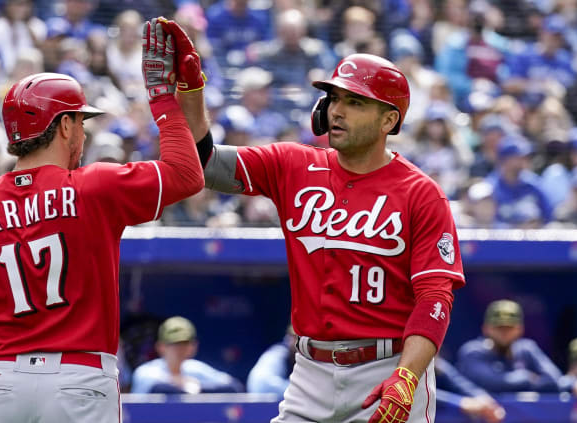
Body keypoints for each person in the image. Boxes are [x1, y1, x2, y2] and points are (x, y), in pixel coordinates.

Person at [163, 20, 465, 423]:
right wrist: (191, 96)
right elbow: (206, 163)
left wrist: (408, 376)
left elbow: (435, 298)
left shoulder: (421, 192)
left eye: (355, 102)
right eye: (335, 98)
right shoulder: (294, 164)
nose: (337, 110)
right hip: (309, 371)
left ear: (388, 121)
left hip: (387, 367)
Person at [0, 17, 204, 423]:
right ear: (64, 125)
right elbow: (187, 175)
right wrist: (164, 99)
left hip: (3, 384)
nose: (84, 134)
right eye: (81, 122)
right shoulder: (95, 186)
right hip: (80, 378)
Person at [457, 299, 573, 393]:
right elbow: (495, 383)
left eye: (509, 327)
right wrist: (527, 377)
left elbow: (554, 379)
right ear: (486, 329)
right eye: (499, 327)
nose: (504, 333)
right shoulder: (472, 352)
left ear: (520, 329)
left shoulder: (527, 349)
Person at [131, 316, 243, 394]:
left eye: (185, 343)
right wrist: (185, 386)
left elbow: (233, 386)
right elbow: (157, 388)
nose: (180, 349)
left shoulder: (194, 369)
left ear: (194, 346)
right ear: (160, 347)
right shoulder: (146, 371)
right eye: (174, 344)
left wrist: (197, 387)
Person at [246, 324, 297, 397]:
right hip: (266, 399)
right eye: (294, 337)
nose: (295, 341)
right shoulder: (279, 353)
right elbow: (261, 384)